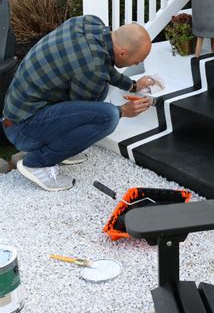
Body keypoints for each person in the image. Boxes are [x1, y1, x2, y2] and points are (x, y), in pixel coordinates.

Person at [2, 15, 155, 192]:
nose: (138, 63)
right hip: (23, 130)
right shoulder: (93, 69)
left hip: (19, 113)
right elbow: (85, 108)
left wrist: (133, 85)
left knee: (100, 90)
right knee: (109, 116)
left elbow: (101, 66)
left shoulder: (91, 23)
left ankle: (60, 149)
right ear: (122, 53)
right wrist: (123, 111)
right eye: (137, 61)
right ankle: (37, 163)